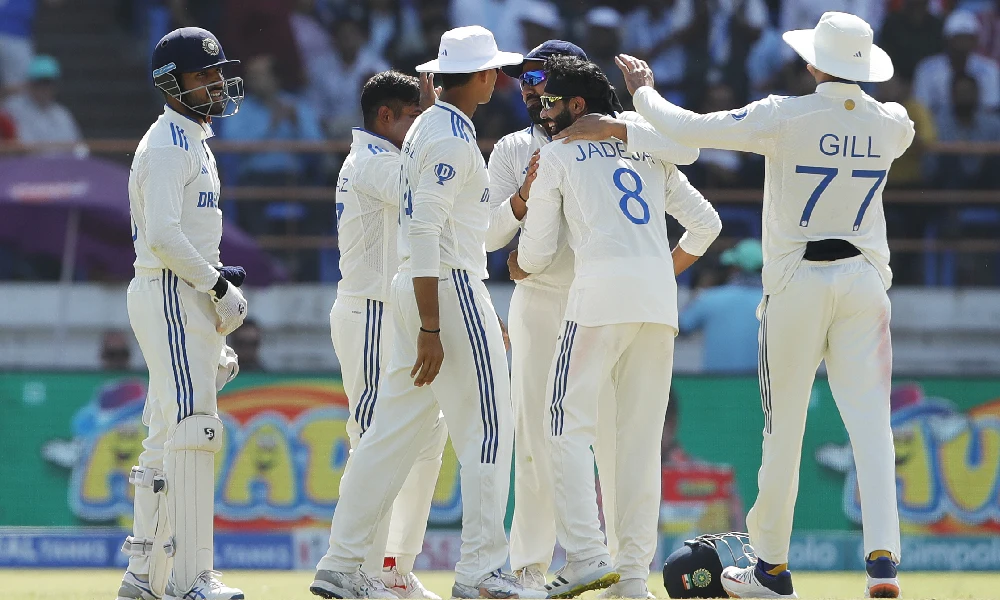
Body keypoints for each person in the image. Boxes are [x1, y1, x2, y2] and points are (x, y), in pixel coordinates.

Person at [605, 10, 914, 599]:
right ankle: (882, 564)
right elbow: (890, 123)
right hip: (866, 281)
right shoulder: (893, 123)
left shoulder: (784, 114)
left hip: (798, 279)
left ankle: (771, 570)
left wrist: (642, 93)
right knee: (872, 426)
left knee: (784, 430)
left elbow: (691, 128)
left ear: (814, 62)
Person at [311, 26, 544, 600]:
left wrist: (516, 204)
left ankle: (341, 563)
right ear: (483, 77)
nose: (500, 78)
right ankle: (482, 571)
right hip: (447, 286)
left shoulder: (433, 132)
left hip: (423, 287)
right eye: (495, 70)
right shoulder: (446, 137)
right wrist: (435, 325)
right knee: (489, 427)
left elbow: (470, 227)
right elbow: (425, 232)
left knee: (388, 434)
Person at [490, 39, 700, 593]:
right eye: (523, 79)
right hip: (564, 304)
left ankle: (600, 561)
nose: (531, 89)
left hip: (588, 300)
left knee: (597, 439)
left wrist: (622, 127)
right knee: (540, 441)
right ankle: (534, 567)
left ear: (571, 92)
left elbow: (522, 258)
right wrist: (652, 273)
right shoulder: (515, 148)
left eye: (540, 77)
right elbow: (485, 233)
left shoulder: (590, 141)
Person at [117, 27, 248, 600]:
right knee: (195, 430)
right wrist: (217, 287)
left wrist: (214, 286)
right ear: (172, 84)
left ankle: (145, 576)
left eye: (218, 72)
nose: (216, 82)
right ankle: (194, 579)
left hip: (179, 293)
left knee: (167, 435)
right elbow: (166, 235)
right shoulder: (170, 142)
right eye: (203, 75)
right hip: (171, 290)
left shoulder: (192, 137)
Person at [312, 70, 445, 600]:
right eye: (413, 117)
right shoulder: (371, 162)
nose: (418, 128)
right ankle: (355, 569)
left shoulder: (384, 158)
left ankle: (393, 567)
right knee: (373, 441)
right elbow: (428, 186)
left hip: (397, 313)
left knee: (427, 437)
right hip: (370, 313)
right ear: (385, 117)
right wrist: (441, 123)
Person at [679, 239, 763, 373]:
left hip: (715, 386)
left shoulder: (709, 299)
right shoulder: (775, 304)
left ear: (734, 268)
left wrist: (700, 290)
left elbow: (682, 327)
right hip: (762, 388)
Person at [913, 10, 1000, 115]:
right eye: (957, 38)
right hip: (936, 126)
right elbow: (922, 109)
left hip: (978, 126)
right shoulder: (926, 69)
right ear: (946, 40)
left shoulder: (990, 69)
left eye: (967, 38)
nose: (962, 44)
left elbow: (990, 108)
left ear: (975, 41)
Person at [3, 55, 85, 154]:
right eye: (39, 82)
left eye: (48, 83)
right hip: (26, 167)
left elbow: (79, 148)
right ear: (29, 83)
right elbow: (19, 147)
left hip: (62, 167)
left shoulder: (62, 114)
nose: (44, 88)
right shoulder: (11, 109)